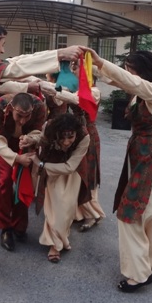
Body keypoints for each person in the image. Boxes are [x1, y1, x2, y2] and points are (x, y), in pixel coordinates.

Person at [0, 20, 82, 287]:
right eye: (1, 45)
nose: (2, 50)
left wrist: (29, 87)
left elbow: (8, 74)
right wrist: (58, 55)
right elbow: (15, 67)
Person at [84, 48, 152, 293]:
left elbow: (128, 81)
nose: (126, 73)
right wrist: (90, 67)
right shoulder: (142, 90)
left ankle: (139, 274)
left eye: (130, 69)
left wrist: (100, 61)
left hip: (151, 157)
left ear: (141, 72)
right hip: (143, 154)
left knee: (131, 213)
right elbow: (119, 80)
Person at [51, 60, 105, 232]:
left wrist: (54, 89)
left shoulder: (94, 91)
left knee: (88, 173)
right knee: (77, 174)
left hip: (89, 134)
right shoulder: (75, 89)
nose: (73, 70)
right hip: (76, 135)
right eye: (73, 67)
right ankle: (79, 212)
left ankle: (92, 214)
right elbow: (61, 98)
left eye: (76, 68)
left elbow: (76, 99)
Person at [30, 113, 90, 263]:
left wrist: (40, 164)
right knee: (55, 208)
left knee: (67, 208)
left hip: (73, 171)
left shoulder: (84, 137)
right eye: (62, 138)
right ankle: (55, 245)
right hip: (53, 167)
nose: (66, 142)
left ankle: (61, 235)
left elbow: (70, 167)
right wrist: (30, 140)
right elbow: (42, 139)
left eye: (71, 137)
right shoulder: (49, 128)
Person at [0, 92, 46, 251]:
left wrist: (31, 139)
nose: (23, 121)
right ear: (11, 109)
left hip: (26, 144)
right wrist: (16, 158)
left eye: (27, 116)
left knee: (24, 183)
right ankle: (5, 227)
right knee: (4, 181)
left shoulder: (39, 107)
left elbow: (39, 132)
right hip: (3, 144)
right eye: (19, 116)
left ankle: (19, 225)